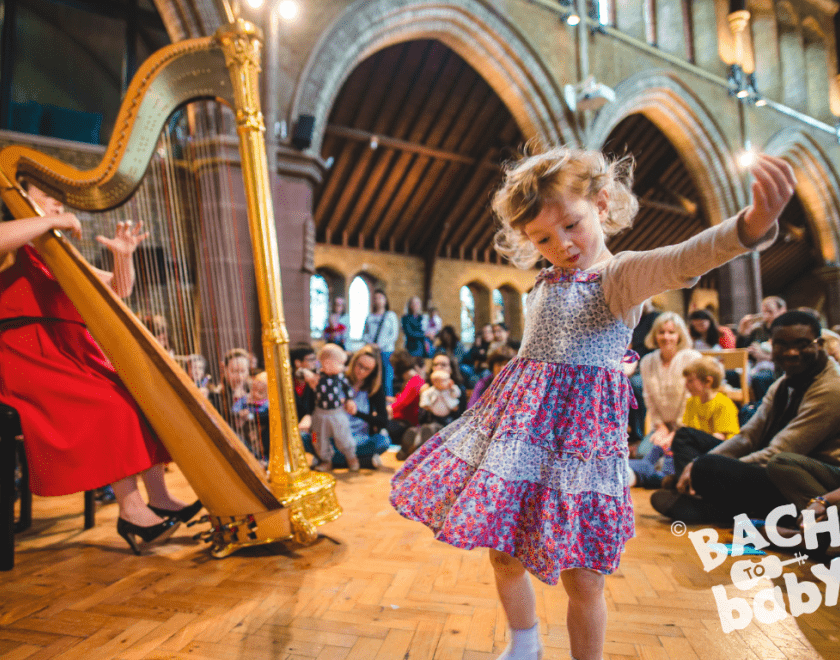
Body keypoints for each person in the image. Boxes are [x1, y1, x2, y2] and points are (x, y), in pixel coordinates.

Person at [390, 147, 795, 660]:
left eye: (571, 225)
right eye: (542, 238)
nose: (561, 245)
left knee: (583, 578)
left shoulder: (619, 277)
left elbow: (683, 259)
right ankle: (524, 644)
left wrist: (751, 226)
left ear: (601, 204)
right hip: (521, 435)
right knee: (504, 552)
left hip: (581, 447)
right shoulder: (544, 280)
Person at [0, 184, 201, 555]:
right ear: (18, 197)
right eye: (45, 193)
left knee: (140, 398)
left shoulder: (52, 249)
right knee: (110, 404)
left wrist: (124, 257)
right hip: (26, 354)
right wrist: (54, 220)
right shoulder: (12, 244)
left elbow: (118, 290)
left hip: (69, 349)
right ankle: (131, 510)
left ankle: (159, 498)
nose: (56, 200)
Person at [652, 311, 840, 524]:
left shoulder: (831, 388)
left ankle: (712, 504)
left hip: (801, 482)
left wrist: (708, 468)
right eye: (782, 345)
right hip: (770, 463)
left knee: (708, 467)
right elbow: (748, 436)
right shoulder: (783, 384)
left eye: (802, 344)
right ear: (771, 346)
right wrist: (696, 464)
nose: (791, 352)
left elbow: (780, 453)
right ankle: (705, 496)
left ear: (820, 344)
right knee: (685, 437)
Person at [628, 356, 740, 488]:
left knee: (666, 461)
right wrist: (668, 440)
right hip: (694, 450)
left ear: (708, 381)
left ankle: (647, 475)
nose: (686, 385)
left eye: (691, 381)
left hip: (715, 454)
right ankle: (640, 469)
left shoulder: (724, 404)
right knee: (659, 448)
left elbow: (720, 439)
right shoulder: (692, 402)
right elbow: (686, 430)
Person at [301, 344, 390, 470]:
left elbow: (383, 421)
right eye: (360, 365)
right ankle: (363, 461)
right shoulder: (335, 376)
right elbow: (311, 406)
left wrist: (357, 413)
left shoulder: (375, 389)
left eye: (367, 369)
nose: (361, 371)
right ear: (353, 362)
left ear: (373, 371)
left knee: (383, 441)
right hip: (329, 435)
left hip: (357, 439)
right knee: (303, 437)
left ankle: (327, 460)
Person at [637, 312, 702, 459]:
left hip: (688, 425)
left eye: (671, 332)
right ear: (655, 335)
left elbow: (691, 399)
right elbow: (648, 398)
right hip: (662, 426)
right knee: (643, 454)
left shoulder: (691, 358)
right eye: (661, 332)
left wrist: (676, 431)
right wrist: (661, 427)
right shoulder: (647, 361)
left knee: (672, 456)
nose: (666, 337)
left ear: (680, 335)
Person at [306, 343, 358, 472]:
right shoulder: (315, 375)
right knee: (318, 439)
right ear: (327, 363)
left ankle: (351, 457)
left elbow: (347, 389)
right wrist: (305, 373)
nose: (343, 367)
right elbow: (300, 374)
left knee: (343, 436)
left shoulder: (340, 376)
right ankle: (325, 460)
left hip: (337, 413)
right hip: (319, 414)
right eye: (340, 364)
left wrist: (349, 400)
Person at [737, 295, 787, 401]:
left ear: (782, 311)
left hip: (778, 368)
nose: (766, 315)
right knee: (732, 375)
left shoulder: (787, 329)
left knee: (760, 378)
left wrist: (767, 356)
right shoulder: (758, 330)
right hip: (756, 366)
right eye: (764, 312)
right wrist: (743, 334)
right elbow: (741, 353)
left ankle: (765, 407)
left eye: (770, 312)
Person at [388, 349, 426, 459]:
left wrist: (385, 410)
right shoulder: (414, 380)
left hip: (406, 423)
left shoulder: (414, 381)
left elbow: (401, 404)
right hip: (405, 420)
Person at [361, 289, 399, 396]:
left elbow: (394, 335)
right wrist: (371, 344)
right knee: (372, 378)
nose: (378, 300)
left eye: (380, 298)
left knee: (386, 378)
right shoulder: (370, 316)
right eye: (375, 298)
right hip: (372, 351)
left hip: (386, 352)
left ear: (385, 300)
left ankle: (387, 400)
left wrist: (380, 345)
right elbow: (365, 334)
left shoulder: (390, 315)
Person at [209, 348, 251, 430]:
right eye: (234, 371)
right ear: (224, 369)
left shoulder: (254, 391)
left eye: (243, 371)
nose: (239, 377)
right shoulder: (215, 396)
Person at [232, 370, 270, 461]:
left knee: (257, 444)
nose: (255, 394)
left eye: (260, 393)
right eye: (253, 390)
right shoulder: (246, 398)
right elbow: (235, 408)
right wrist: (239, 413)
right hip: (244, 428)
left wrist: (249, 415)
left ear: (268, 395)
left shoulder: (266, 404)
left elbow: (263, 416)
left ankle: (261, 458)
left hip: (258, 430)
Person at [467, 344, 517, 408]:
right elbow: (472, 406)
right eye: (499, 364)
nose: (502, 368)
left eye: (506, 365)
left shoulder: (517, 385)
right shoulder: (483, 383)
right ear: (492, 366)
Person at [462, 323, 495, 387]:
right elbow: (468, 357)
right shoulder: (480, 343)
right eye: (484, 332)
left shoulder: (493, 345)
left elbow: (487, 360)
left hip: (487, 370)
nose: (486, 334)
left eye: (488, 332)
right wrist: (477, 347)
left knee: (483, 375)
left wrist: (480, 360)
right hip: (476, 369)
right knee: (463, 368)